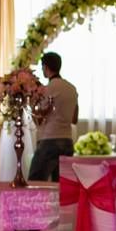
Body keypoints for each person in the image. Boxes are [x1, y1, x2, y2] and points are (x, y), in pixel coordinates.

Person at [28, 52, 78, 182]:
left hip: (50, 140)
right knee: (61, 186)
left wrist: (32, 103)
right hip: (67, 141)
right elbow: (74, 119)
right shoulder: (72, 89)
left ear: (45, 67)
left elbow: (39, 119)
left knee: (35, 181)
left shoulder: (49, 88)